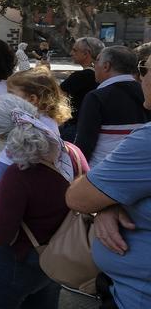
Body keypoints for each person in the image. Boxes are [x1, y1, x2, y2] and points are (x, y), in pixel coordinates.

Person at [66, 51, 151, 309]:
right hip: (114, 184)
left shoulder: (98, 96)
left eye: (145, 70)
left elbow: (83, 149)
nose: (141, 78)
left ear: (105, 65)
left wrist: (101, 199)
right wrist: (109, 201)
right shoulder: (138, 97)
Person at [0, 108, 75, 308]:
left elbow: (1, 235)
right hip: (53, 260)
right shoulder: (72, 154)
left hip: (18, 261)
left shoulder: (19, 176)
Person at [75, 45, 149, 167]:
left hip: (102, 172)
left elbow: (84, 145)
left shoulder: (96, 97)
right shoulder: (145, 93)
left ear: (106, 66)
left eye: (96, 61)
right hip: (141, 171)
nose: (94, 66)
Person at [59, 37, 105, 141]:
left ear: (86, 53)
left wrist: (45, 72)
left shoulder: (82, 76)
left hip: (75, 127)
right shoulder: (102, 74)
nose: (71, 53)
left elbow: (56, 95)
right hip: (95, 126)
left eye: (75, 50)